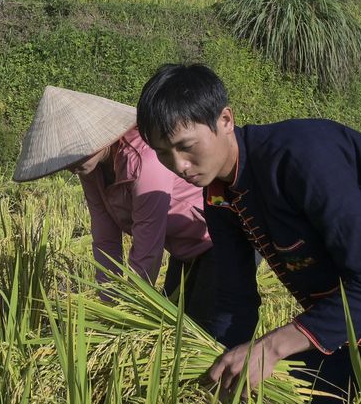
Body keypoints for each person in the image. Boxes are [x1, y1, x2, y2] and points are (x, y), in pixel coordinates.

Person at [135, 64, 361, 404]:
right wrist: (214, 365)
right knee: (293, 395)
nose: (179, 166)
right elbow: (234, 300)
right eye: (164, 154)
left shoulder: (301, 158)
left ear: (225, 120)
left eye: (186, 146)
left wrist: (270, 347)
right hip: (346, 306)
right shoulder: (219, 197)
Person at [13, 85, 254, 346]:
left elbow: (147, 245)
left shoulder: (144, 159)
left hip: (216, 239)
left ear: (98, 137)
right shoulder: (90, 169)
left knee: (202, 335)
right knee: (173, 324)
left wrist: (130, 308)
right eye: (64, 159)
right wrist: (109, 303)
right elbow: (105, 238)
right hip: (183, 249)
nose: (71, 166)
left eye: (74, 154)